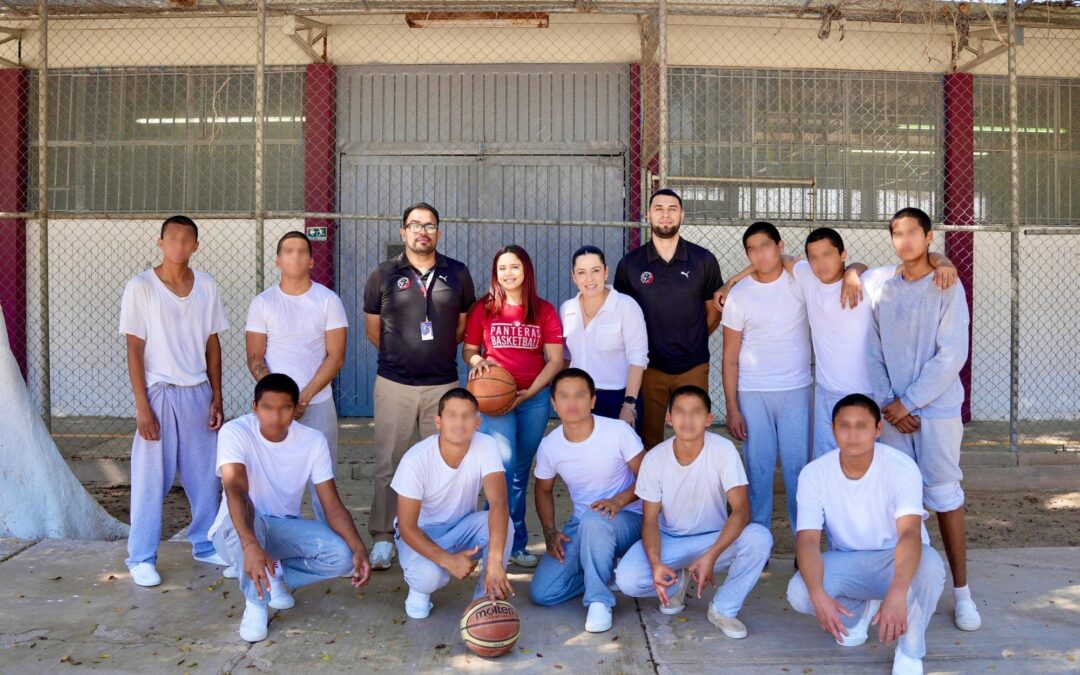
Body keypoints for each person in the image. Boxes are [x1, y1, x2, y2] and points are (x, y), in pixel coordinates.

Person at [714, 228, 957, 460]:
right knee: (827, 466)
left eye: (828, 254)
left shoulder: (869, 280)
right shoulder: (807, 277)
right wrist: (731, 282)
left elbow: (915, 263)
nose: (821, 263)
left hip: (870, 395)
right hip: (827, 396)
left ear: (843, 254)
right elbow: (770, 258)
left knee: (874, 466)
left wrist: (943, 262)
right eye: (814, 257)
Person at [867, 207, 981, 633]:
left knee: (945, 496)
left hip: (934, 411)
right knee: (904, 505)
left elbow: (951, 354)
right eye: (897, 233)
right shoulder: (884, 287)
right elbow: (873, 352)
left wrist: (910, 402)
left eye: (912, 232)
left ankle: (963, 594)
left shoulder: (946, 285)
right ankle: (918, 587)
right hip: (894, 414)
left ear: (929, 237)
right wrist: (889, 402)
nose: (904, 240)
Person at [786, 394, 946, 675]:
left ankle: (909, 650)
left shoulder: (901, 467)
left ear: (878, 429)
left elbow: (909, 534)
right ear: (833, 428)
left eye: (862, 426)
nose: (852, 434)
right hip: (850, 559)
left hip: (894, 558)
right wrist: (818, 596)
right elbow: (807, 541)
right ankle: (859, 612)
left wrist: (897, 593)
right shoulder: (814, 473)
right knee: (800, 592)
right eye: (844, 426)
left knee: (931, 568)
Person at [209, 374, 371, 643]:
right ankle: (256, 604)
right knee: (254, 524)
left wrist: (358, 548)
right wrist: (250, 546)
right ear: (254, 407)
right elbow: (236, 490)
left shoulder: (312, 440)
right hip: (236, 530)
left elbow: (331, 505)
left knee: (341, 556)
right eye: (267, 408)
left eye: (284, 408)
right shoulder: (235, 432)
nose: (276, 416)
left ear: (297, 409)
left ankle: (277, 578)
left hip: (281, 529)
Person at [363, 203, 476, 570]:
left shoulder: (457, 273)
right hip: (395, 383)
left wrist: (432, 353)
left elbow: (461, 328)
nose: (421, 231)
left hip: (443, 385)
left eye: (429, 225)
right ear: (403, 232)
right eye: (414, 225)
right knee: (389, 463)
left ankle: (431, 532)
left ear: (438, 233)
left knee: (442, 463)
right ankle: (383, 535)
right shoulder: (382, 274)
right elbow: (373, 330)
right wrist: (404, 356)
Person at [119, 215, 229, 587]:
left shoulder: (208, 286)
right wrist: (142, 405)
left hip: (198, 391)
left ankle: (204, 542)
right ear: (160, 242)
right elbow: (135, 348)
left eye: (187, 239)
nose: (179, 245)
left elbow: (213, 344)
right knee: (151, 480)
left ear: (196, 245)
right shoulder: (141, 287)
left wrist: (217, 396)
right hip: (159, 392)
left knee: (204, 477)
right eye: (173, 238)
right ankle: (141, 556)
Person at [614, 386, 772, 639]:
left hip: (713, 539)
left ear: (709, 418)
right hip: (671, 540)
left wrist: (711, 555)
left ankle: (723, 608)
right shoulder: (654, 459)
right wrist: (656, 563)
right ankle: (675, 581)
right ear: (669, 418)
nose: (688, 420)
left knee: (759, 538)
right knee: (627, 579)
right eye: (680, 412)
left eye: (696, 412)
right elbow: (651, 521)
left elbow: (742, 512)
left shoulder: (723, 450)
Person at [463, 245, 564, 568]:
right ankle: (493, 542)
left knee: (520, 472)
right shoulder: (484, 308)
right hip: (497, 401)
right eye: (502, 268)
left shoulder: (543, 310)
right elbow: (469, 349)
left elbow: (556, 360)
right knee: (502, 469)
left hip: (531, 399)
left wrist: (530, 391)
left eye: (514, 267)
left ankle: (516, 542)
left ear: (526, 271)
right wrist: (479, 361)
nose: (508, 274)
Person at [530, 368, 646, 633]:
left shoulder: (618, 432)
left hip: (628, 518)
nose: (572, 403)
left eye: (580, 395)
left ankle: (598, 601)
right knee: (544, 592)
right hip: (582, 524)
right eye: (564, 396)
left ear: (593, 401)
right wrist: (550, 533)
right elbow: (542, 490)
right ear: (554, 403)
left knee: (595, 520)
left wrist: (618, 500)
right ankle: (604, 566)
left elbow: (651, 477)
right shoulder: (550, 445)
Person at [246, 231, 348, 522]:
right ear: (278, 260)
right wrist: (280, 401)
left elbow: (336, 356)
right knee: (266, 480)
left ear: (312, 261)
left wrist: (302, 397)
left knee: (323, 481)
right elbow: (255, 356)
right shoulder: (263, 303)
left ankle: (331, 542)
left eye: (302, 251)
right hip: (273, 408)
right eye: (288, 251)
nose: (295, 256)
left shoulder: (328, 300)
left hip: (316, 403)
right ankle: (262, 544)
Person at [614, 189, 723, 451]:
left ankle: (692, 492)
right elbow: (623, 318)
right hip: (648, 368)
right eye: (659, 208)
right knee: (648, 440)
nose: (665, 214)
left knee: (693, 437)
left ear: (682, 214)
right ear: (648, 215)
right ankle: (653, 493)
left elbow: (714, 312)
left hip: (692, 366)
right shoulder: (631, 264)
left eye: (672, 208)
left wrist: (691, 337)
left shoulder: (703, 260)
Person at [721, 222, 811, 537]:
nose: (760, 254)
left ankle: (805, 540)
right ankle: (758, 540)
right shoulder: (739, 295)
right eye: (752, 249)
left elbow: (833, 268)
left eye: (766, 246)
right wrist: (732, 407)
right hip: (752, 391)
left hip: (795, 389)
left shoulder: (798, 281)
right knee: (757, 471)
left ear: (780, 245)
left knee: (798, 469)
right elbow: (730, 356)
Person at [391, 388, 515, 619]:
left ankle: (484, 602)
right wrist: (449, 561)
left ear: (477, 422)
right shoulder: (416, 460)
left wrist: (495, 561)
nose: (460, 422)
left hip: (461, 528)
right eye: (452, 415)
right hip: (421, 533)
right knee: (429, 576)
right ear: (438, 421)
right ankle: (419, 591)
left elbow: (498, 503)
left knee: (504, 524)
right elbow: (407, 527)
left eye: (467, 416)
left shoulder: (486, 445)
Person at [560, 246, 648, 424]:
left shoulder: (626, 306)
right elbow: (567, 357)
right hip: (578, 399)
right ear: (574, 276)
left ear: (606, 272)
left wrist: (629, 405)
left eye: (596, 271)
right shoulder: (567, 309)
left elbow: (638, 358)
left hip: (617, 398)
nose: (589, 279)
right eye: (582, 272)